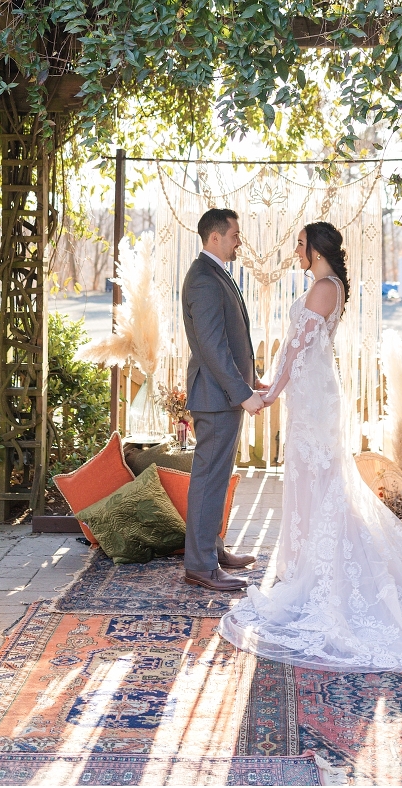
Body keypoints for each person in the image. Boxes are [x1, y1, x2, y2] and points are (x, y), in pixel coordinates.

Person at [218, 221, 402, 671]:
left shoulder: (323, 286)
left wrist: (271, 392)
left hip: (314, 400)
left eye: (300, 244)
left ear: (317, 249)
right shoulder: (327, 284)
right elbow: (298, 349)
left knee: (320, 483)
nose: (295, 251)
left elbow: (299, 346)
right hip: (312, 395)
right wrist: (271, 382)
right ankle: (305, 567)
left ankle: (317, 573)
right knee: (312, 482)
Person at [181, 208, 266, 593]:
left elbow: (229, 340)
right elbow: (213, 348)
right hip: (216, 397)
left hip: (222, 395)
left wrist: (251, 380)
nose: (238, 240)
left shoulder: (215, 273)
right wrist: (242, 392)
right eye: (234, 234)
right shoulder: (202, 279)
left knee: (216, 480)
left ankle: (211, 550)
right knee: (208, 480)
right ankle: (200, 566)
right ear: (215, 237)